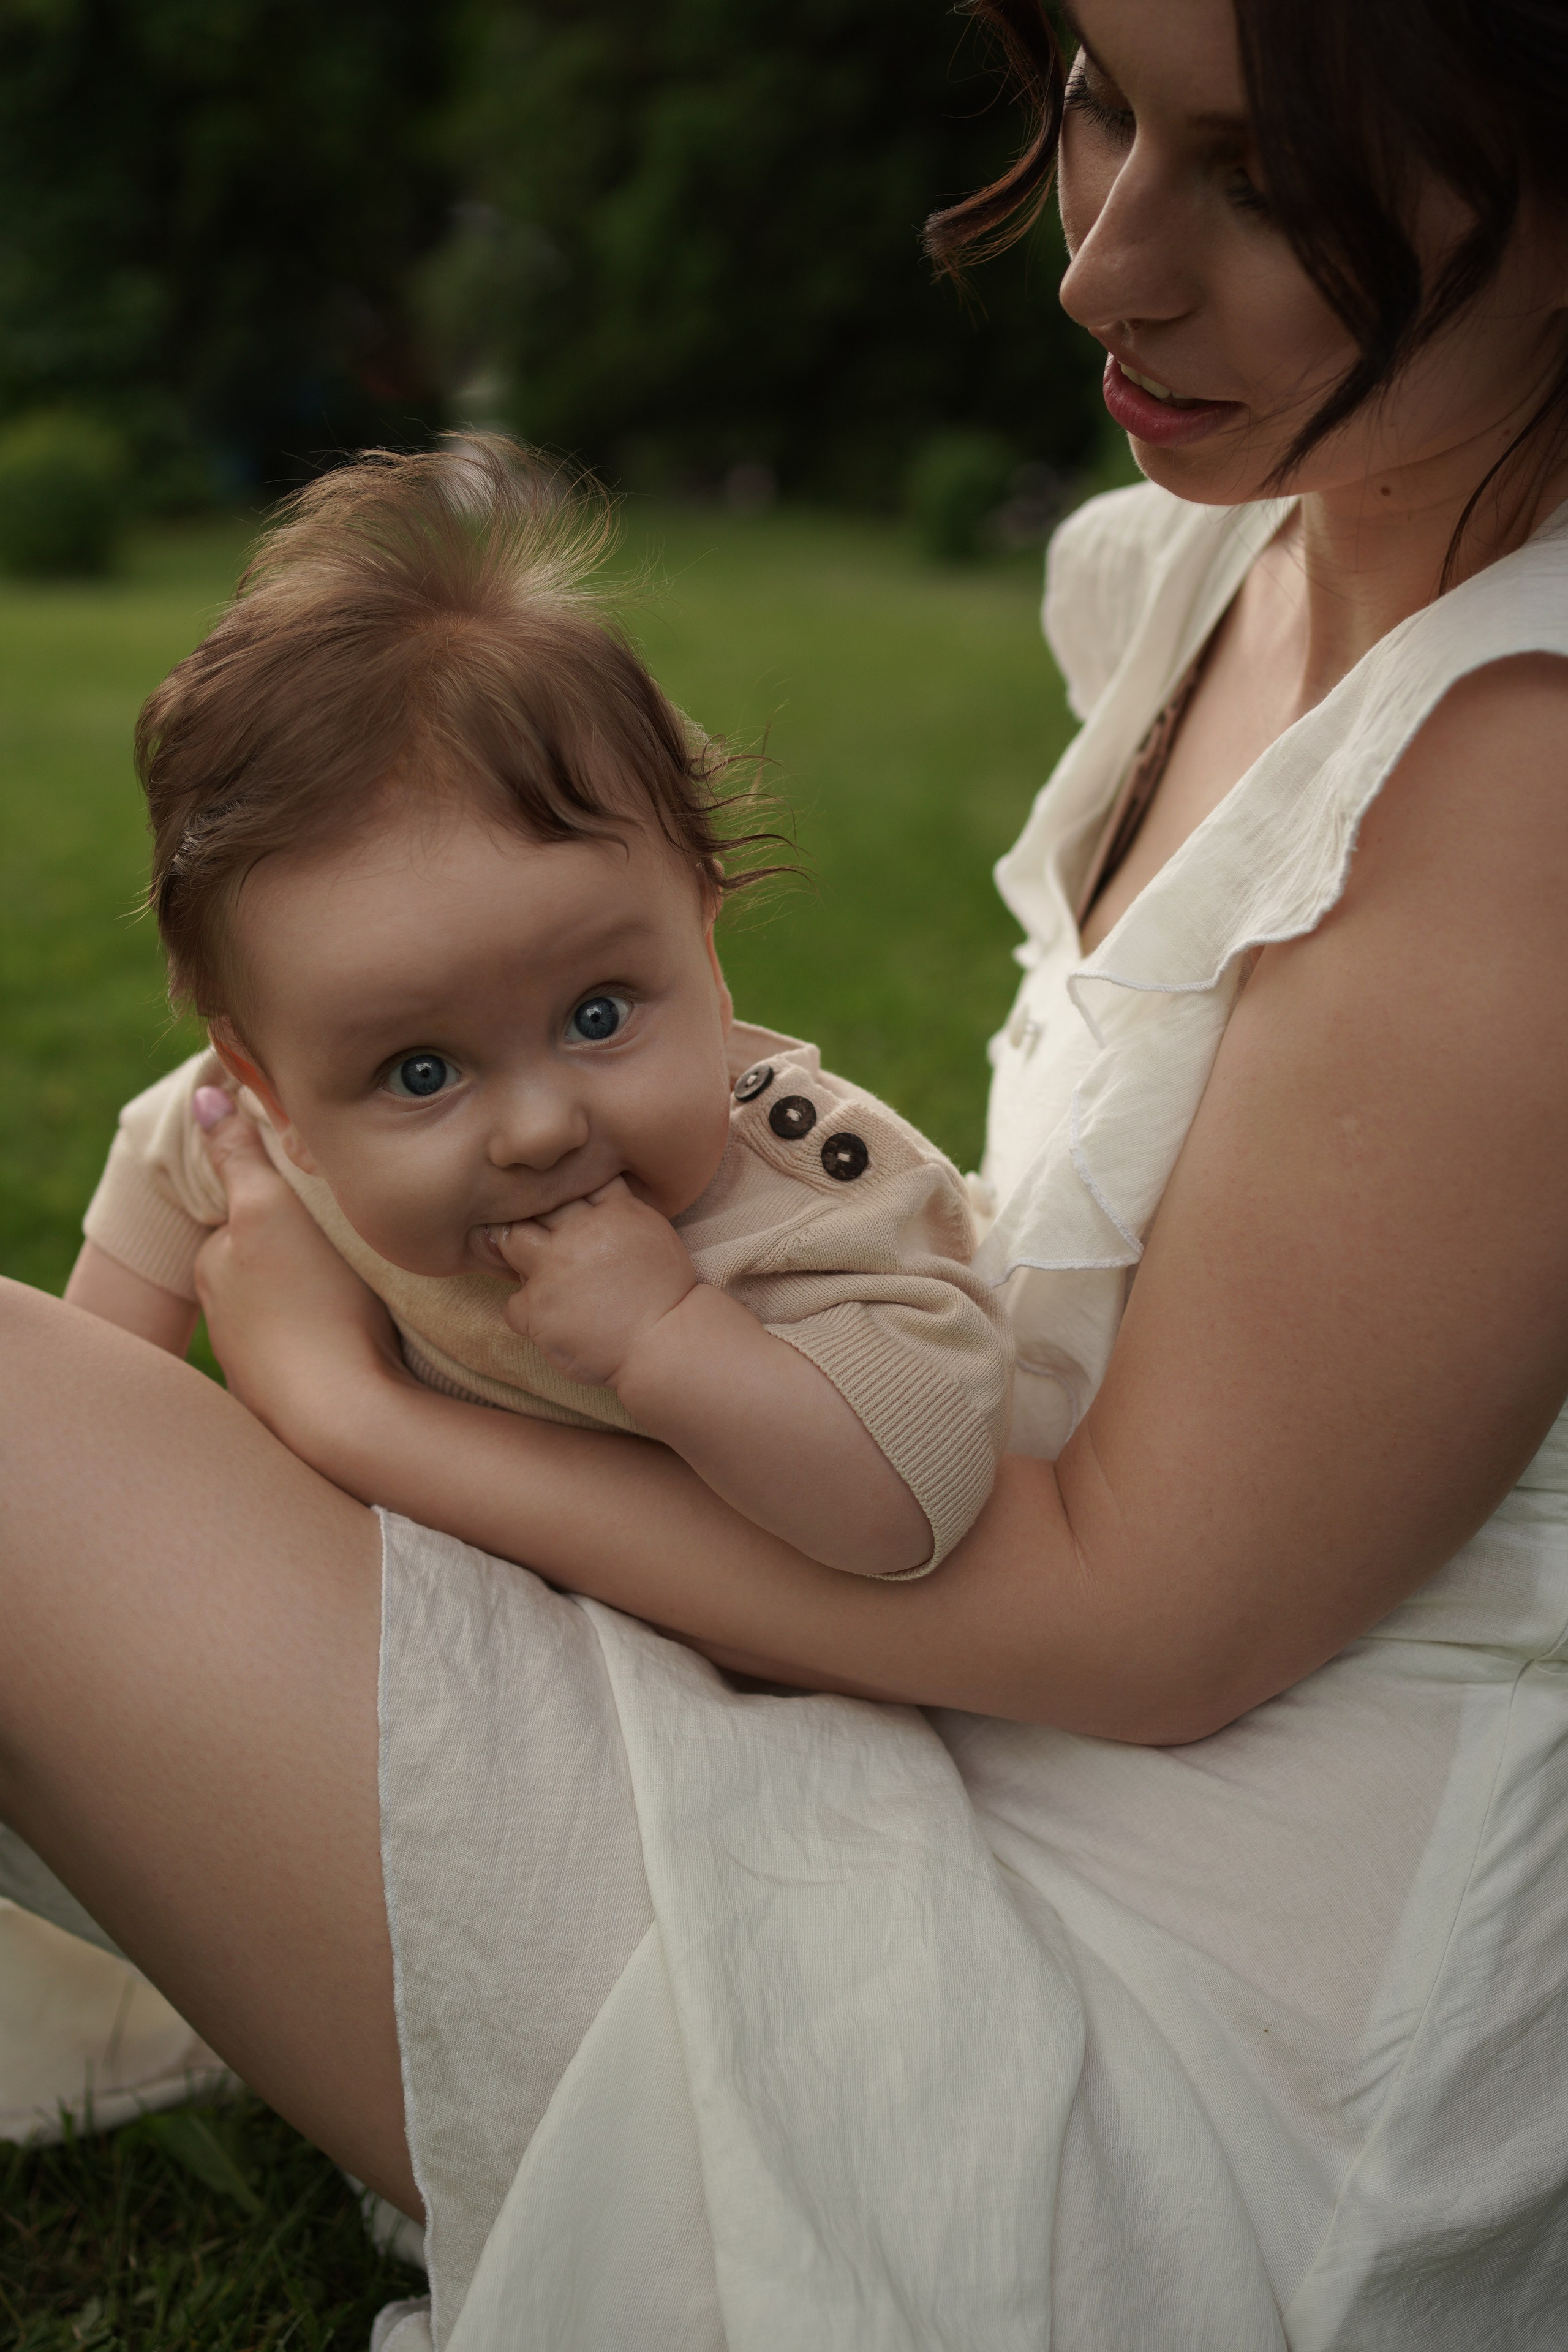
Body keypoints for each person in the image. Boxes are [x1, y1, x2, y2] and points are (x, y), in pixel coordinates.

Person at [4, 0, 1568, 2341]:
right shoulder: (1239, 555)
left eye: (1263, 176)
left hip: (1182, 2064)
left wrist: (358, 1430)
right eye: (1106, 106)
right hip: (924, 1720)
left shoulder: (1529, 771)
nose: (1100, 265)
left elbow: (1156, 1632)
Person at [72, 440, 1011, 1588]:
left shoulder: (817, 1209)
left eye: (599, 1013)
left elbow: (916, 1507)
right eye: (423, 1073)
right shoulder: (246, 1130)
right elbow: (95, 1394)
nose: (540, 1129)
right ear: (277, 1094)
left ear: (708, 960)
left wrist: (670, 1338)